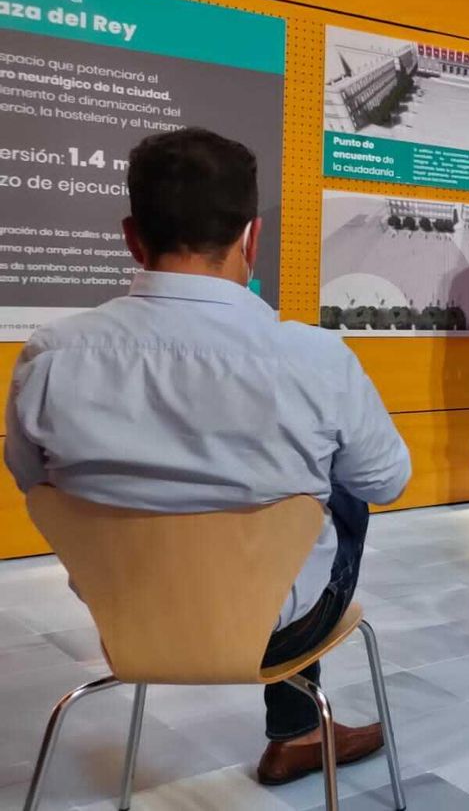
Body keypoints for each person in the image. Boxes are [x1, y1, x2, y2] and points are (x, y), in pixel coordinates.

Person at [3, 128, 411, 786]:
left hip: (127, 618)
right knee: (339, 490)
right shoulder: (316, 360)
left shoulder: (48, 357)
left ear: (133, 238)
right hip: (282, 630)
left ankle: (298, 731)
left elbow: (29, 478)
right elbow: (388, 481)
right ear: (253, 238)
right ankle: (301, 729)